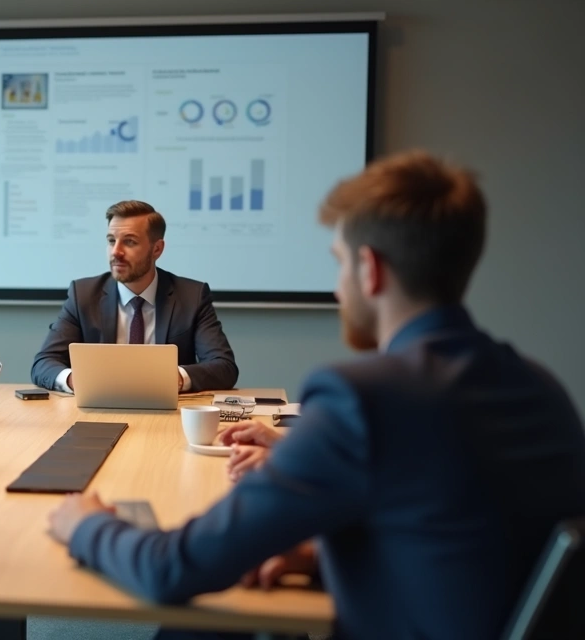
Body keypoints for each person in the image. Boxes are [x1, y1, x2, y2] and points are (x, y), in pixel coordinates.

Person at [45, 151, 585, 639]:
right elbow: (457, 530)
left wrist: (87, 524)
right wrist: (319, 553)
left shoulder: (361, 396)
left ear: (370, 269)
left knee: (202, 625)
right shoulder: (541, 386)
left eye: (339, 262)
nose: (337, 286)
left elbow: (171, 569)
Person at [30, 200, 238, 394]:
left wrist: (175, 378)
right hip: (98, 411)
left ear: (157, 249)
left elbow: (224, 367)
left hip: (168, 415)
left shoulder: (191, 296)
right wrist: (76, 380)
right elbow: (44, 363)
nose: (116, 252)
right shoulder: (83, 294)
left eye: (129, 242)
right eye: (111, 241)